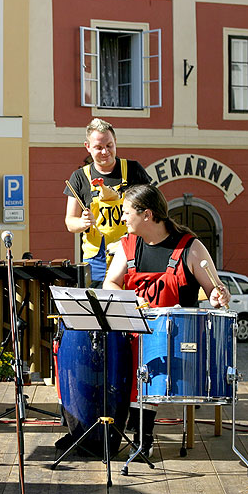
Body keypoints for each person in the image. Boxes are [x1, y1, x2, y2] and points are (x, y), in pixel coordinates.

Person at [103, 183, 230, 456]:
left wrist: (219, 297)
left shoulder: (191, 248)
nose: (122, 218)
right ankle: (107, 431)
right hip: (136, 333)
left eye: (126, 212)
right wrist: (132, 301)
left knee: (147, 356)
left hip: (179, 342)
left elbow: (213, 294)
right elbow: (110, 284)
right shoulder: (128, 245)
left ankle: (142, 439)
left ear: (147, 215)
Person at [64, 118, 152, 286]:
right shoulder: (79, 177)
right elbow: (70, 222)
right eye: (98, 147)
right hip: (96, 260)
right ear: (87, 147)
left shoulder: (134, 170)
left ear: (115, 142)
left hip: (132, 253)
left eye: (109, 146)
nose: (105, 152)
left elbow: (153, 208)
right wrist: (82, 222)